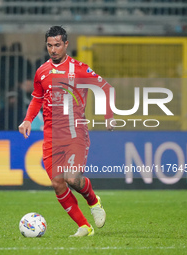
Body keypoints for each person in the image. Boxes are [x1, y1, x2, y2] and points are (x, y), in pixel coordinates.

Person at [18, 26, 115, 237]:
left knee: (72, 178)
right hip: (51, 137)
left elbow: (105, 88)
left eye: (57, 45)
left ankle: (93, 200)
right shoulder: (41, 71)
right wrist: (27, 120)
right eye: (50, 45)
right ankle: (84, 226)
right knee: (57, 182)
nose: (53, 49)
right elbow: (37, 98)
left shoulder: (79, 69)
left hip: (75, 134)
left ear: (66, 45)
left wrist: (108, 115)